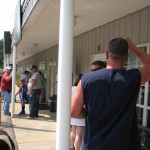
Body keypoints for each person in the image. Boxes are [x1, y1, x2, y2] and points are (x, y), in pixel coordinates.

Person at [71, 37, 150, 150]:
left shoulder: (87, 79)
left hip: (94, 145)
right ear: (126, 58)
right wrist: (132, 46)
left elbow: (74, 111)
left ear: (107, 55)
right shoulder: (133, 78)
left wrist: (87, 113)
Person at [70, 73, 84, 150]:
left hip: (72, 112)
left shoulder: (71, 88)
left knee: (73, 131)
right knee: (79, 134)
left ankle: (71, 146)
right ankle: (77, 149)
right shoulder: (82, 89)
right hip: (80, 113)